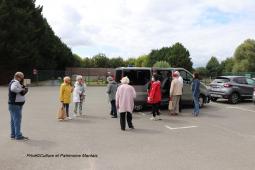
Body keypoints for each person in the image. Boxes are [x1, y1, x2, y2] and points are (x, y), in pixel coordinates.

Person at [8, 72, 29, 140]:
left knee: (13, 120)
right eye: (21, 77)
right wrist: (22, 90)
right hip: (15, 104)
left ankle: (13, 135)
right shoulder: (15, 82)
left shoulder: (14, 82)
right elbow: (13, 89)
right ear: (18, 77)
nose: (22, 79)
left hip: (14, 104)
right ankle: (18, 136)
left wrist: (23, 87)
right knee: (17, 120)